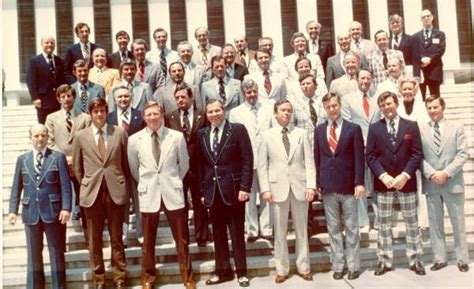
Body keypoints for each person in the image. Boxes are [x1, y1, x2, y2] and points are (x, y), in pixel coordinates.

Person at [128, 101, 195, 289]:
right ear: (143, 118)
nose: (152, 118)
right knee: (148, 241)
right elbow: (134, 168)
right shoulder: (135, 140)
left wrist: (173, 180)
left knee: (181, 239)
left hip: (172, 191)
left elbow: (184, 165)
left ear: (162, 115)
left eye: (156, 114)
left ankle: (187, 277)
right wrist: (148, 182)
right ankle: (148, 278)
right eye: (148, 115)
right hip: (149, 193)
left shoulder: (176, 137)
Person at [366, 91, 425, 276]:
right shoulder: (375, 128)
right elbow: (370, 155)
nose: (386, 108)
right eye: (383, 105)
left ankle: (416, 259)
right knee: (383, 224)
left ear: (396, 103)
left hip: (405, 182)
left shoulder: (411, 126)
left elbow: (416, 153)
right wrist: (383, 175)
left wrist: (405, 175)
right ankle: (384, 260)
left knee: (411, 222)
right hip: (384, 183)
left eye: (389, 104)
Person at [72, 98, 130, 288]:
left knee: (117, 238)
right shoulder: (81, 136)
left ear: (107, 112)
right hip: (92, 193)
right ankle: (99, 279)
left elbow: (126, 164)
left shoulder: (119, 132)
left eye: (102, 111)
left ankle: (119, 277)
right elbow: (77, 167)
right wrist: (87, 184)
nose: (99, 115)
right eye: (95, 111)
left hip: (115, 191)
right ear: (90, 113)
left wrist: (122, 184)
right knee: (94, 241)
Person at [258, 100, 315, 283]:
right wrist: (265, 188)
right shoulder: (267, 136)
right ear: (275, 113)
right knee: (280, 232)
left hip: (299, 187)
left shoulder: (301, 134)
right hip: (277, 189)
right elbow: (262, 166)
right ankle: (282, 269)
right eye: (283, 110)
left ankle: (304, 266)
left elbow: (309, 163)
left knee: (301, 230)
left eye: (289, 111)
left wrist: (311, 186)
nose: (286, 113)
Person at [197, 99, 252, 287]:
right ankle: (223, 272)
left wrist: (245, 187)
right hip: (213, 193)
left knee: (236, 233)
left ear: (224, 111)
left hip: (234, 191)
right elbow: (200, 166)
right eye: (210, 112)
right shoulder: (202, 134)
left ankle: (242, 272)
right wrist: (203, 192)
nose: (214, 115)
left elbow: (247, 160)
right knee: (218, 235)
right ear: (206, 114)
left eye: (217, 110)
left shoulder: (237, 130)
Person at [9, 124, 72, 289]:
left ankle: (59, 286)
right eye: (36, 136)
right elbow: (17, 186)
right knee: (33, 254)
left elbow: (66, 185)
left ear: (47, 137)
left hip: (53, 212)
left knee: (56, 252)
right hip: (31, 212)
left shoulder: (57, 157)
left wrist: (66, 208)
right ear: (30, 138)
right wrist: (12, 211)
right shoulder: (22, 160)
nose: (40, 139)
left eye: (43, 135)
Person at [314, 93, 365, 280]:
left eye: (335, 105)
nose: (332, 109)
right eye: (328, 107)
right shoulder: (319, 130)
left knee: (351, 228)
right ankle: (338, 265)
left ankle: (353, 266)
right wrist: (318, 183)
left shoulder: (353, 129)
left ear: (340, 105)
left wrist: (359, 182)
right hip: (328, 188)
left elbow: (360, 158)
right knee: (333, 229)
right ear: (325, 109)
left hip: (349, 187)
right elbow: (317, 158)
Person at [420, 96, 470, 273]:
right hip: (431, 182)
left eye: (435, 107)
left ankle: (462, 258)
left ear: (443, 107)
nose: (433, 110)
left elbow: (463, 154)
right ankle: (439, 258)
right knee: (435, 223)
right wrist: (432, 173)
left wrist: (446, 173)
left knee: (458, 222)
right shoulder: (422, 129)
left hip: (452, 181)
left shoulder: (456, 128)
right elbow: (419, 156)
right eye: (429, 108)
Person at [229, 79, 274, 242]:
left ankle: (267, 228)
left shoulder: (268, 108)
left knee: (267, 195)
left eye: (254, 91)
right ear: (243, 94)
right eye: (248, 92)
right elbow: (234, 138)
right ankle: (252, 230)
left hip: (266, 158)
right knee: (249, 195)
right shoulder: (235, 113)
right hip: (246, 161)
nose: (252, 95)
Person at [164, 84, 210, 247]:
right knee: (179, 203)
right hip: (178, 167)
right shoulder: (170, 117)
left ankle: (201, 236)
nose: (180, 100)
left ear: (191, 98)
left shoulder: (202, 115)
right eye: (177, 98)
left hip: (199, 166)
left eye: (183, 97)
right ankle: (181, 237)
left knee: (199, 202)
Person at [45, 84, 90, 235]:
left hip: (80, 163)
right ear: (58, 99)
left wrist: (74, 158)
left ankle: (87, 231)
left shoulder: (85, 118)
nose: (66, 99)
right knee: (61, 199)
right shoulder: (51, 118)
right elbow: (49, 142)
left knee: (83, 197)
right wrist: (64, 159)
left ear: (74, 97)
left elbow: (88, 141)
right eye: (63, 97)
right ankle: (60, 236)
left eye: (69, 96)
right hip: (60, 164)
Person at [107, 85, 146, 245]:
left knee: (140, 204)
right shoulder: (109, 118)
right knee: (120, 204)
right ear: (115, 99)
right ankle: (122, 237)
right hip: (117, 168)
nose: (123, 99)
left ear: (131, 98)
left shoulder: (140, 116)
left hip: (137, 167)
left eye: (126, 96)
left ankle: (142, 235)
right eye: (120, 97)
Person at [341, 69, 380, 230]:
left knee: (379, 185)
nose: (365, 81)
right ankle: (363, 221)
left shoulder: (377, 99)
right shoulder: (347, 99)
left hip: (377, 149)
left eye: (368, 78)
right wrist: (360, 143)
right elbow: (347, 124)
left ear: (372, 80)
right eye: (362, 78)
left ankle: (380, 221)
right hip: (357, 148)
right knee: (360, 184)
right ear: (357, 79)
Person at [27, 36, 66, 124]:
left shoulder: (59, 60)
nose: (49, 45)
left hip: (57, 101)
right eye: (47, 43)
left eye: (52, 43)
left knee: (58, 126)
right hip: (43, 101)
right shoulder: (34, 61)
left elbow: (63, 80)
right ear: (41, 44)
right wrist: (35, 97)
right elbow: (31, 81)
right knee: (44, 126)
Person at [413, 9, 446, 100]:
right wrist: (421, 59)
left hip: (434, 69)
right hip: (421, 70)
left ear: (432, 17)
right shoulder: (415, 36)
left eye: (428, 16)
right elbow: (414, 52)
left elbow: (441, 49)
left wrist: (430, 59)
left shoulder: (440, 34)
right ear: (421, 19)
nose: (426, 18)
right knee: (421, 97)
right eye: (424, 17)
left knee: (435, 96)